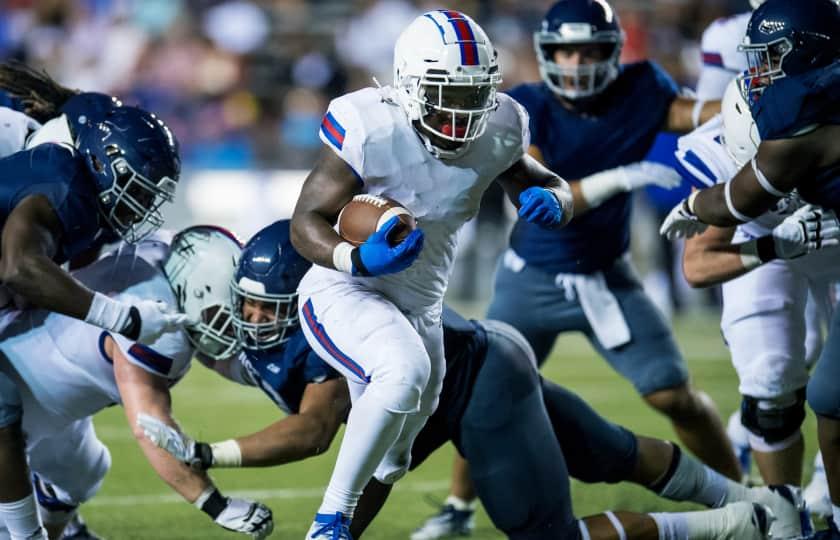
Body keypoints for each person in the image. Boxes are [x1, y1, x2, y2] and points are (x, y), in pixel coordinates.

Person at [140, 219, 806, 540]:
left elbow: (316, 432)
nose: (254, 320)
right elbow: (370, 459)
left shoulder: (324, 322)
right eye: (247, 305)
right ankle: (762, 505)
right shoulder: (276, 335)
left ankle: (736, 524)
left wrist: (208, 454)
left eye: (265, 308)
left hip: (474, 387)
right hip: (449, 387)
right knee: (610, 454)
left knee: (547, 534)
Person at [413, 1, 737, 536]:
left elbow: (701, 113)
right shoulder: (524, 106)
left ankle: (748, 493)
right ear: (546, 52)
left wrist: (751, 100)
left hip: (607, 275)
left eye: (589, 49)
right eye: (566, 48)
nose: (577, 60)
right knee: (482, 390)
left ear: (612, 51)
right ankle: (457, 507)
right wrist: (622, 175)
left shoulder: (641, 88)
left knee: (673, 394)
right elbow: (544, 195)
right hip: (531, 276)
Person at [289, 9, 574, 539]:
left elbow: (544, 180)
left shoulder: (502, 127)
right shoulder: (370, 127)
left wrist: (554, 199)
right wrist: (355, 258)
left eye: (474, 95)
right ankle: (327, 523)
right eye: (449, 93)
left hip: (422, 305)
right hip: (344, 288)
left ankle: (342, 531)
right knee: (402, 373)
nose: (462, 113)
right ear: (409, 84)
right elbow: (304, 221)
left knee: (394, 457)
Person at [658, 0, 840, 537]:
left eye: (770, 59)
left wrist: (696, 206)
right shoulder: (740, 125)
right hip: (769, 246)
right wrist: (774, 248)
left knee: (834, 395)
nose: (757, 75)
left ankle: (830, 498)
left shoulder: (804, 115)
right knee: (769, 379)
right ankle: (786, 517)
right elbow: (697, 263)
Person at [0, 62, 192, 540]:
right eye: (134, 192)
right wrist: (121, 319)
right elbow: (21, 268)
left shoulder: (82, 136)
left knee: (84, 467)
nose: (136, 210)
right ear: (104, 163)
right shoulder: (55, 173)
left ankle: (56, 517)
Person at [0, 226, 273, 540]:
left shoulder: (169, 258)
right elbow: (151, 428)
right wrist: (216, 505)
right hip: (18, 403)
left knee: (84, 471)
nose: (236, 323)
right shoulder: (158, 319)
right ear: (198, 293)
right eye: (226, 312)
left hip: (40, 381)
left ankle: (64, 533)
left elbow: (209, 346)